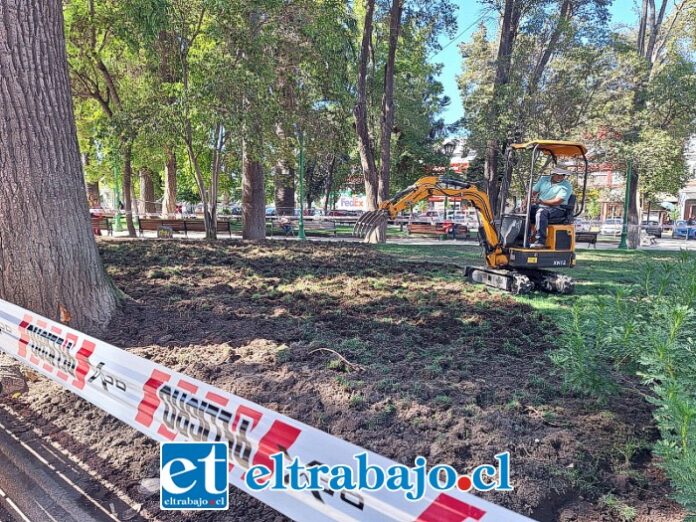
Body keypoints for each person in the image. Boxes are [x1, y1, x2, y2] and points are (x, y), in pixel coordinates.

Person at [529, 166, 574, 249]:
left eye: (563, 175)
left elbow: (558, 201)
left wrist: (540, 201)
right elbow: (532, 192)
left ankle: (540, 242)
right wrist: (525, 203)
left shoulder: (566, 185)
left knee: (541, 212)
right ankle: (523, 238)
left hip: (558, 209)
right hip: (540, 206)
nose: (560, 177)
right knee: (522, 213)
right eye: (558, 174)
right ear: (553, 173)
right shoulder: (544, 180)